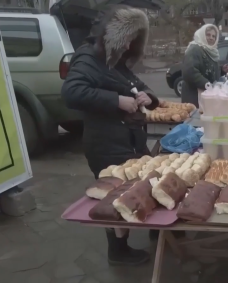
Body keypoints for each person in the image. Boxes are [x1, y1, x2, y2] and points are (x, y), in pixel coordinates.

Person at [62, 6, 159, 265]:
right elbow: (72, 92)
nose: (129, 44)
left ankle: (159, 231)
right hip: (106, 143)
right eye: (127, 38)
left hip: (129, 139)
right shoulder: (88, 57)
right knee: (114, 196)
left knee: (148, 182)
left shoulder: (115, 59)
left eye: (133, 40)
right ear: (113, 36)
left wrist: (146, 96)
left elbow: (134, 82)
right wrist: (116, 100)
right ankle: (118, 251)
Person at [181, 24, 228, 107]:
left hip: (206, 95)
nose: (211, 38)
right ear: (202, 35)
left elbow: (208, 70)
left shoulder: (211, 51)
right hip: (194, 96)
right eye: (208, 35)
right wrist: (207, 85)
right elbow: (189, 72)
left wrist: (222, 70)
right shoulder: (195, 49)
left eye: (214, 36)